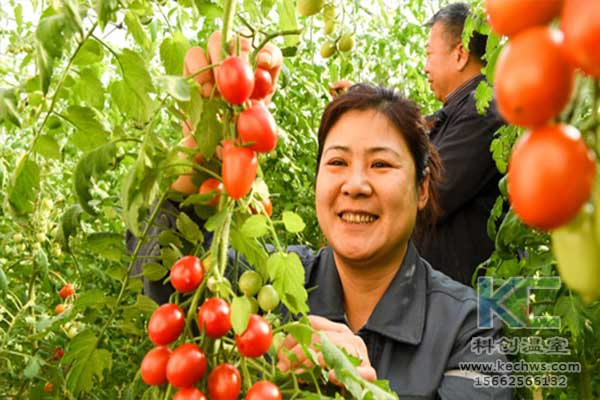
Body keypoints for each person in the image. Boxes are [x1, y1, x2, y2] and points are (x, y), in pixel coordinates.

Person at [130, 78, 511, 396]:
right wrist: (195, 165)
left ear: (422, 188)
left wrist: (366, 390)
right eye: (337, 163)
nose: (355, 184)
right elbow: (164, 275)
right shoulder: (263, 284)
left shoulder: (473, 330)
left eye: (381, 164)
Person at [415, 2, 505, 285]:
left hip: (468, 303)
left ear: (460, 55)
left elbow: (431, 194)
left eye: (429, 54)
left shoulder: (483, 111)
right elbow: (419, 127)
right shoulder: (460, 112)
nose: (425, 66)